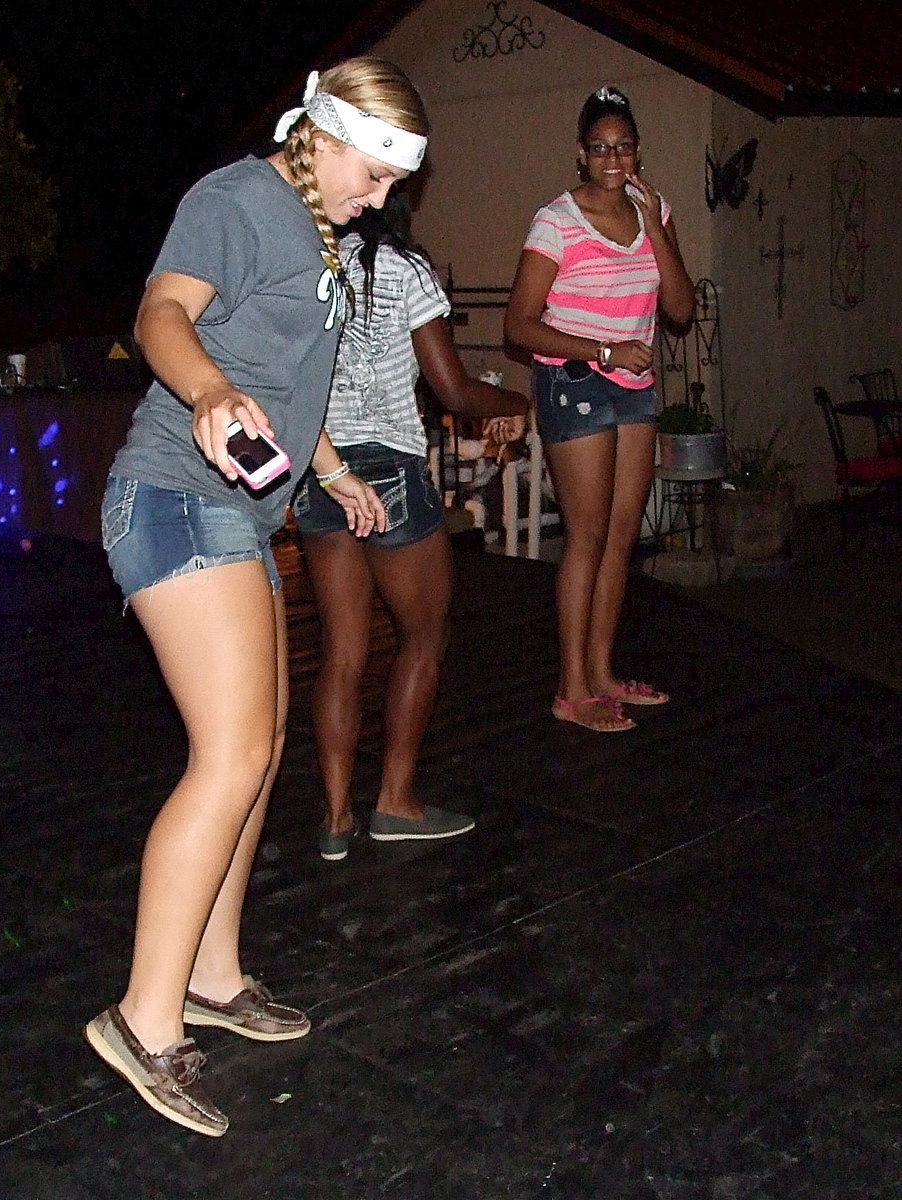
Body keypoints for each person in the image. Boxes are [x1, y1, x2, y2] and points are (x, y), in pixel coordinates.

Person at [84, 57, 429, 1137]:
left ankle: (214, 978)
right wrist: (208, 391)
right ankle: (142, 1021)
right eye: (369, 175)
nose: (378, 200)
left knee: (261, 749)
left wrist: (328, 472)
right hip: (171, 498)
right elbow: (162, 317)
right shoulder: (236, 199)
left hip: (239, 509)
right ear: (320, 135)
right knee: (227, 754)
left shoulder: (326, 237)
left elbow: (285, 391)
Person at [294, 195, 531, 860]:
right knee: (423, 636)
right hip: (388, 470)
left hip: (322, 469)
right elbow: (454, 393)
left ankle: (336, 818)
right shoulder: (404, 269)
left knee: (340, 656)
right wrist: (516, 402)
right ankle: (394, 802)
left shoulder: (305, 263)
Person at [504, 85, 694, 732]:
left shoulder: (654, 209)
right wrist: (606, 348)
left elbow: (680, 311)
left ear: (637, 151)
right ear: (581, 155)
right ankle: (572, 689)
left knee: (621, 535)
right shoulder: (555, 221)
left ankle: (604, 674)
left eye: (624, 146)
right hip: (576, 378)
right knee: (584, 537)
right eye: (600, 147)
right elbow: (520, 326)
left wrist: (657, 228)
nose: (613, 157)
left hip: (633, 386)